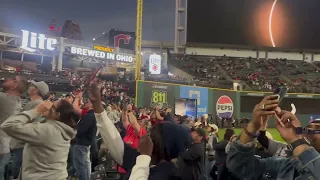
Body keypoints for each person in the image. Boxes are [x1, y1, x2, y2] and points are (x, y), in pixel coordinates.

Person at [88, 83, 192, 180]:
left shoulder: (171, 174)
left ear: (164, 145)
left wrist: (144, 158)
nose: (147, 135)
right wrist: (98, 107)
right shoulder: (144, 159)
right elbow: (114, 141)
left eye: (152, 134)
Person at [227, 95, 320, 179]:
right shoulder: (286, 166)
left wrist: (297, 142)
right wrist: (253, 126)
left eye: (318, 128)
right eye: (308, 127)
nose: (310, 131)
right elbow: (240, 167)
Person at [1, 100, 78, 180]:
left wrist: (36, 110)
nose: (47, 107)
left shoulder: (47, 130)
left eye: (52, 106)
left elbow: (8, 125)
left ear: (57, 115)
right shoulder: (61, 129)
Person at [10, 80, 49, 178]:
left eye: (32, 86)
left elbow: (34, 125)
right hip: (22, 143)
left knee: (18, 170)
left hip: (23, 144)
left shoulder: (37, 104)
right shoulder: (34, 103)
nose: (29, 87)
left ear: (36, 90)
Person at [0, 75, 28, 180]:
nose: (7, 79)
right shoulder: (17, 100)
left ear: (15, 85)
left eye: (12, 79)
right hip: (5, 146)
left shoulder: (4, 99)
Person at [73, 99, 97, 180]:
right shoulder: (91, 114)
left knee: (80, 166)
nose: (85, 103)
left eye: (87, 102)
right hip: (85, 143)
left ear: (91, 104)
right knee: (85, 164)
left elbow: (80, 130)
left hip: (81, 143)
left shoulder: (89, 116)